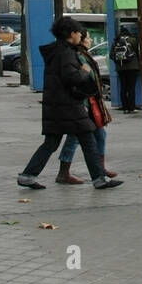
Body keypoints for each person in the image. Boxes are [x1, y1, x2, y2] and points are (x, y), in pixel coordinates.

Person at [17, 16, 123, 190]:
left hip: (56, 105)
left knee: (51, 143)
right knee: (88, 139)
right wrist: (83, 71)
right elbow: (70, 77)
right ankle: (99, 178)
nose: (80, 36)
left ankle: (28, 175)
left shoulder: (57, 51)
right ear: (71, 34)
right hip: (68, 106)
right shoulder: (66, 53)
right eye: (78, 33)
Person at [55, 31, 117, 183]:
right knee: (74, 138)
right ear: (79, 39)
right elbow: (82, 78)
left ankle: (99, 168)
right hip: (84, 103)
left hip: (91, 102)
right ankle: (64, 171)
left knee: (99, 135)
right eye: (88, 37)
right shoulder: (78, 56)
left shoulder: (84, 54)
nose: (90, 40)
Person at [114, 22, 141, 112]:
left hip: (120, 67)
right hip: (132, 67)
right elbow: (138, 52)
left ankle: (124, 106)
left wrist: (118, 61)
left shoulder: (116, 41)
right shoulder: (133, 39)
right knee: (131, 87)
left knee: (123, 87)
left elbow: (111, 55)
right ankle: (131, 107)